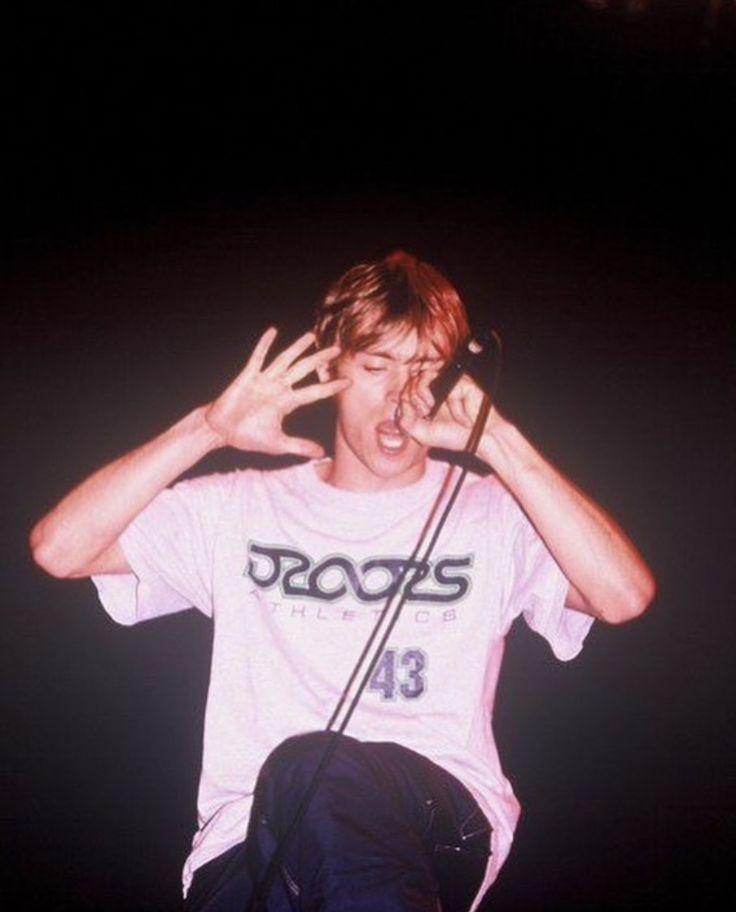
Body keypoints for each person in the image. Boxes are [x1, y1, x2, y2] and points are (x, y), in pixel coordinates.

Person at [30, 250, 656, 912]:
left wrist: (501, 443)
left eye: (424, 373)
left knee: (317, 769)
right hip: (246, 844)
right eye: (375, 367)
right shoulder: (241, 507)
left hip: (434, 822)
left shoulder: (493, 510)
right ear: (331, 371)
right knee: (296, 794)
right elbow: (59, 549)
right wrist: (209, 428)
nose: (400, 398)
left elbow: (623, 597)